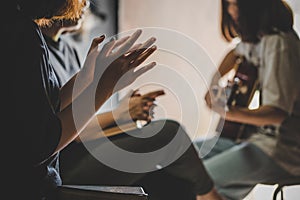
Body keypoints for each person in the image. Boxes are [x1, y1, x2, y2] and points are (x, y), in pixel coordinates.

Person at [39, 5, 224, 200]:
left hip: (86, 146)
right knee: (170, 133)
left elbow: (81, 117)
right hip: (64, 164)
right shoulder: (38, 51)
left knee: (178, 185)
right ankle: (213, 196)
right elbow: (61, 130)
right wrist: (118, 114)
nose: (85, 3)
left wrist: (126, 117)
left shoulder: (70, 50)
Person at [5, 0, 158, 199]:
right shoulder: (19, 33)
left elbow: (45, 109)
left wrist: (87, 76)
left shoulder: (22, 28)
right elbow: (43, 142)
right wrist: (103, 87)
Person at [198, 0, 300, 199]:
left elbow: (276, 113)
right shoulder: (258, 40)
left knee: (204, 180)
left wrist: (229, 112)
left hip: (285, 150)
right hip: (255, 139)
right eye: (227, 4)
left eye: (235, 4)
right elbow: (235, 52)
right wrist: (214, 82)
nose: (231, 11)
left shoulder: (279, 44)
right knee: (187, 160)